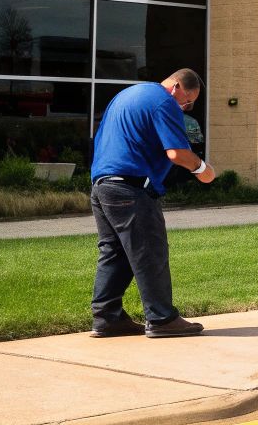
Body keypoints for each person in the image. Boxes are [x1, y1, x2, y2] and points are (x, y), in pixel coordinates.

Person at [88, 68, 215, 338]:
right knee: (149, 250)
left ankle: (107, 317)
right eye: (187, 101)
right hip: (130, 187)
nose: (185, 107)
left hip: (102, 184)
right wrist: (203, 169)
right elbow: (177, 153)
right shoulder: (163, 101)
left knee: (115, 251)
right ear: (177, 86)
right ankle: (161, 318)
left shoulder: (128, 95)